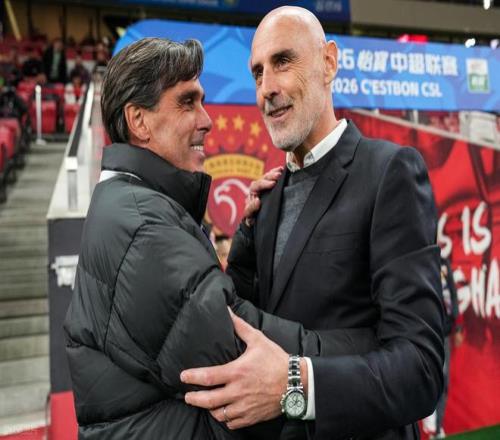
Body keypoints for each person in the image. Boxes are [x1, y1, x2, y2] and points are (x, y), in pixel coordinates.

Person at [64, 37, 373, 440]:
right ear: (139, 121)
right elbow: (245, 361)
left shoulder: (131, 204)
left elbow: (205, 311)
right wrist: (367, 348)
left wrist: (246, 244)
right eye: (187, 102)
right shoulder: (141, 225)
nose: (206, 120)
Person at [181, 6, 444, 440]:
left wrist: (295, 386)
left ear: (328, 62)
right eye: (258, 73)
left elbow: (421, 369)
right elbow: (250, 332)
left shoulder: (388, 172)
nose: (267, 88)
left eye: (283, 61)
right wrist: (244, 241)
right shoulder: (266, 201)